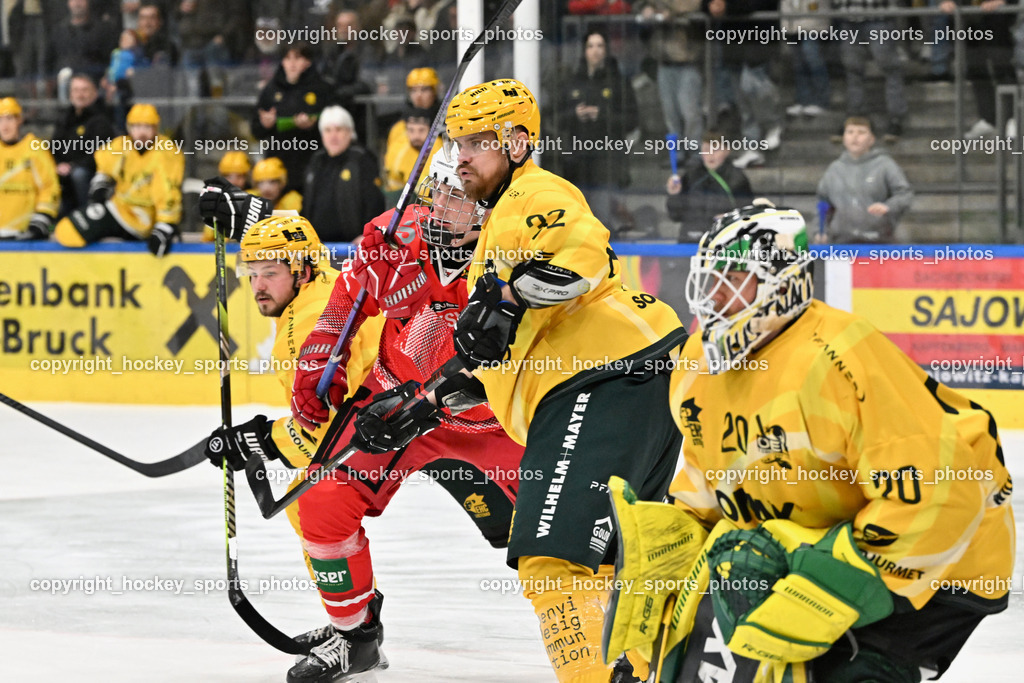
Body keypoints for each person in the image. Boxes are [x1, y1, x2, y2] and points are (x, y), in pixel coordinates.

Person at [302, 79, 688, 682]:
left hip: (564, 396)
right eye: (451, 160)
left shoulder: (522, 204)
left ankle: (620, 663)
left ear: (513, 145)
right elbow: (360, 318)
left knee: (555, 555)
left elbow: (577, 259)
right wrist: (399, 397)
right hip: (483, 394)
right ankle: (357, 636)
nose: (445, 199)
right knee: (611, 548)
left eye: (475, 147)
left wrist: (506, 297)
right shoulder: (414, 240)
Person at [604, 202, 1015, 683]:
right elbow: (710, 479)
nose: (715, 297)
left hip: (947, 557)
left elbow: (940, 494)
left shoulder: (839, 361)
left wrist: (825, 592)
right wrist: (673, 552)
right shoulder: (697, 365)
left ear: (784, 283)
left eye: (734, 280)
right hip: (816, 534)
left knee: (840, 670)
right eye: (710, 280)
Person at [209, 149, 526, 683]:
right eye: (436, 193)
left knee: (568, 529)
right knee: (320, 502)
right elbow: (348, 295)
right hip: (396, 396)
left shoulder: (514, 247)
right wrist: (321, 355)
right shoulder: (398, 233)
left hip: (494, 416)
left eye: (456, 197)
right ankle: (355, 638)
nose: (440, 206)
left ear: (485, 205)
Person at [54, 103, 184, 256]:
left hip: (146, 219)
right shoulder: (121, 144)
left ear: (155, 129)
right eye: (137, 127)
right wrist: (100, 186)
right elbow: (106, 166)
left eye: (147, 127)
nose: (141, 132)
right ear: (129, 128)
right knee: (68, 230)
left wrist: (164, 226)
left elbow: (168, 191)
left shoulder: (167, 152)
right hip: (118, 208)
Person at [560, 29, 639, 230]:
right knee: (576, 221)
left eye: (600, 45)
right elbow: (555, 118)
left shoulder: (618, 82)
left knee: (603, 220)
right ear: (584, 50)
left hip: (607, 162)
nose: (595, 50)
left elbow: (632, 120)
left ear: (606, 50)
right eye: (590, 46)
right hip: (577, 163)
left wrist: (601, 115)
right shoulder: (572, 81)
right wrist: (574, 114)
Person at [816, 116, 913, 243]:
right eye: (850, 132)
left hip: (879, 242)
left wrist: (888, 206)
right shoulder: (834, 169)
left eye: (861, 132)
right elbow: (822, 203)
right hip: (841, 243)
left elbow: (905, 194)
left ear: (871, 139)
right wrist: (819, 231)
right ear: (844, 138)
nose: (855, 137)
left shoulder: (885, 165)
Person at [252, 43, 333, 187]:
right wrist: (265, 125)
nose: (292, 63)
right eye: (287, 58)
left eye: (297, 58)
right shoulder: (271, 90)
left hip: (312, 162)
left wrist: (313, 126)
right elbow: (255, 129)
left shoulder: (322, 89)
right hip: (278, 166)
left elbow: (334, 125)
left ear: (308, 62)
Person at [301, 105, 385, 243]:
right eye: (328, 130)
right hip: (318, 244)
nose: (333, 136)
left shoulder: (363, 159)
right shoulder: (316, 161)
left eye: (339, 130)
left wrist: (369, 234)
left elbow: (374, 202)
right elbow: (307, 202)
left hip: (354, 245)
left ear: (350, 132)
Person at [832, 0, 907, 141]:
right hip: (848, 19)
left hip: (879, 16)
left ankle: (896, 118)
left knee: (890, 67)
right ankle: (856, 118)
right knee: (852, 70)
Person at [666, 130, 753, 242]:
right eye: (706, 149)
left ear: (727, 150)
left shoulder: (737, 179)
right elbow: (675, 216)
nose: (710, 155)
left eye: (716, 149)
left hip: (723, 243)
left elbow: (748, 216)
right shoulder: (691, 176)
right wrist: (674, 195)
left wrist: (729, 219)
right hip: (689, 242)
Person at [51, 74, 115, 217]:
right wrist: (58, 164)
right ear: (70, 94)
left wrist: (72, 165)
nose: (80, 95)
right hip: (65, 169)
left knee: (79, 174)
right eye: (76, 90)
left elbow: (99, 154)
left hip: (90, 172)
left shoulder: (102, 120)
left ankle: (88, 215)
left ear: (95, 94)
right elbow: (53, 147)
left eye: (85, 90)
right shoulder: (64, 118)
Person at [0, 98, 60, 240]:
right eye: (0, 119)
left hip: (26, 234)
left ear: (19, 120)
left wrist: (41, 219)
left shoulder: (34, 148)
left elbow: (50, 186)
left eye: (9, 118)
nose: (4, 125)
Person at [381, 106, 440, 195]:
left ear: (430, 130)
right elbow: (393, 187)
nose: (416, 136)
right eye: (411, 130)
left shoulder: (442, 151)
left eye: (421, 130)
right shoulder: (397, 152)